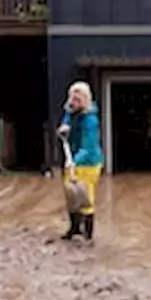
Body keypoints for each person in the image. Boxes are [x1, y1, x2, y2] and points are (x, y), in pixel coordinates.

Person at [57, 81, 104, 242]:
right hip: (73, 157)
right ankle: (74, 228)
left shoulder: (90, 120)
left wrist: (74, 162)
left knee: (84, 195)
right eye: (73, 98)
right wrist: (64, 126)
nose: (74, 102)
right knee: (71, 194)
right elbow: (67, 118)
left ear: (86, 99)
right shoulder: (71, 111)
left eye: (78, 99)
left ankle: (88, 233)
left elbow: (88, 146)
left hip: (89, 162)